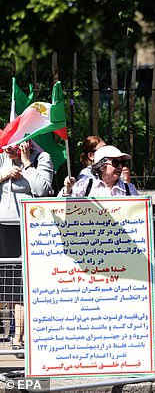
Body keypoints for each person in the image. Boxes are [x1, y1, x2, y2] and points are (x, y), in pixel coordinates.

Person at [0, 141, 54, 356]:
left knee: (27, 283)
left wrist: (26, 165)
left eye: (16, 143)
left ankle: (24, 337)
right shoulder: (2, 159)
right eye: (7, 144)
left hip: (31, 225)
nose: (10, 148)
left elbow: (43, 189)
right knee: (12, 284)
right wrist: (4, 174)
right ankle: (17, 335)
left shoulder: (42, 158)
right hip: (5, 225)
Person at [61, 145, 138, 197]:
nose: (120, 167)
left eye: (123, 163)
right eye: (116, 163)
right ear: (101, 166)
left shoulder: (129, 189)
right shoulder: (86, 185)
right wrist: (68, 189)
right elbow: (63, 206)